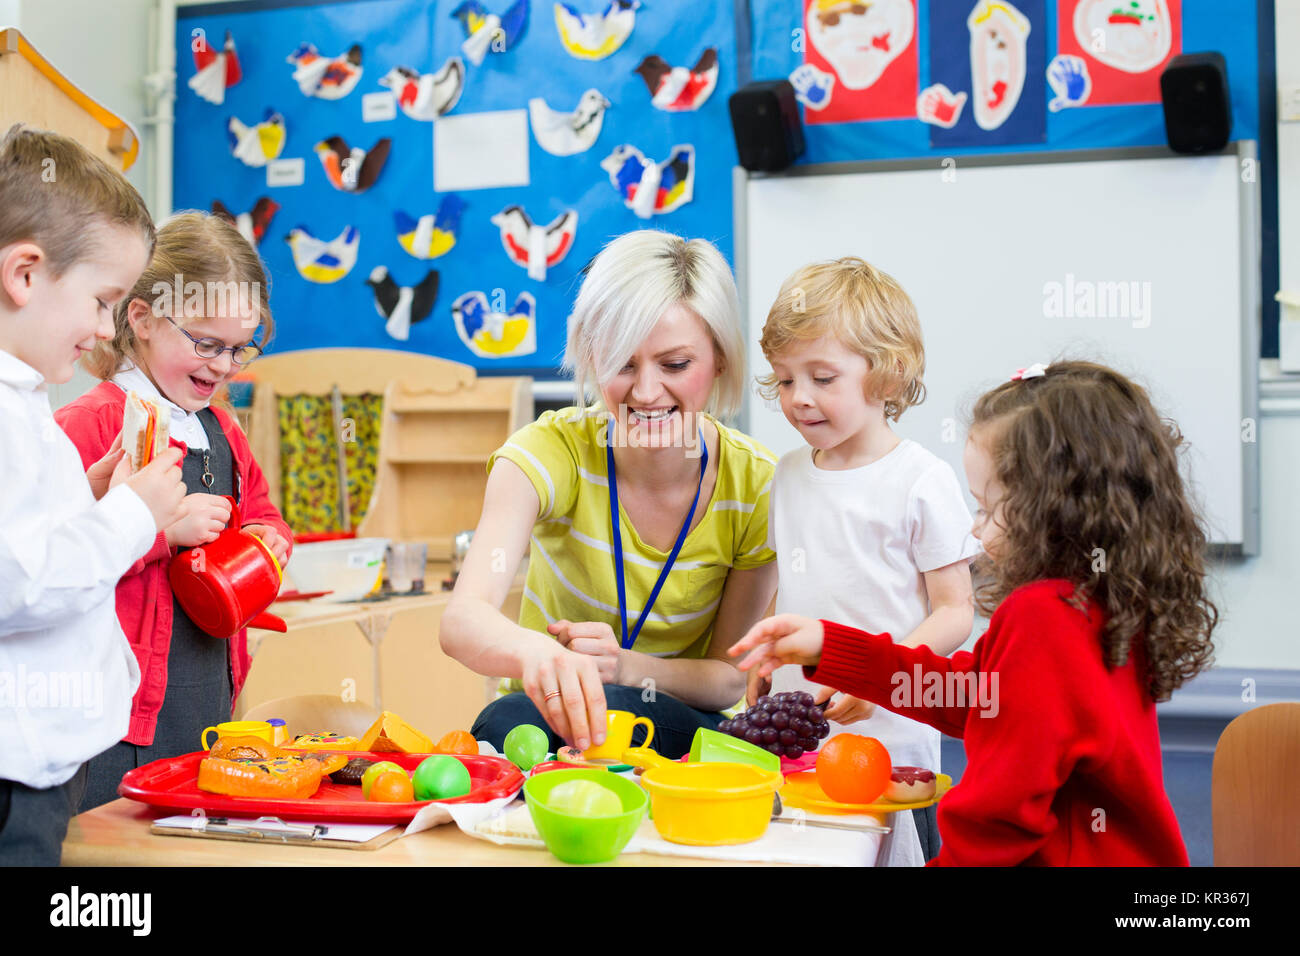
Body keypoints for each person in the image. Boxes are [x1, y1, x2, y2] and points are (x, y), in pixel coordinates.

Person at [731, 360, 1217, 866]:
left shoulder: (1044, 618)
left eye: (987, 508)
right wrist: (835, 649)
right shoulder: (1101, 600)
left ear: (1053, 510)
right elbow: (975, 697)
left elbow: (996, 818)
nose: (974, 529)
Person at [441, 230, 778, 758]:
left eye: (674, 365)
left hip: (678, 725)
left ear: (720, 360)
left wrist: (625, 668)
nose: (645, 392)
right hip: (550, 719)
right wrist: (539, 655)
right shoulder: (551, 452)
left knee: (644, 715)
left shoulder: (757, 486)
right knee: (508, 719)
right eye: (623, 362)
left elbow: (728, 680)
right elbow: (463, 621)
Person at [56, 211, 292, 811]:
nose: (222, 366)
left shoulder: (221, 429)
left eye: (240, 349)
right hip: (117, 722)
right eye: (206, 343)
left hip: (206, 697)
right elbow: (56, 569)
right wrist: (161, 534)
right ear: (140, 318)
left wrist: (268, 539)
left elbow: (265, 513)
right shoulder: (93, 424)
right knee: (117, 855)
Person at [0, 125, 185, 865]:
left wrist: (89, 494)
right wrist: (132, 515)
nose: (104, 330)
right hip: (15, 774)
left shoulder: (25, 400)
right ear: (25, 275)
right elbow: (19, 580)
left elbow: (24, 534)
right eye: (102, 301)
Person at [755, 257, 978, 862]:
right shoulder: (788, 474)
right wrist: (767, 653)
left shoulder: (922, 480)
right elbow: (793, 584)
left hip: (893, 736)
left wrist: (882, 683)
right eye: (783, 379)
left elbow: (956, 611)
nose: (798, 399)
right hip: (803, 730)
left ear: (889, 376)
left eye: (822, 377)